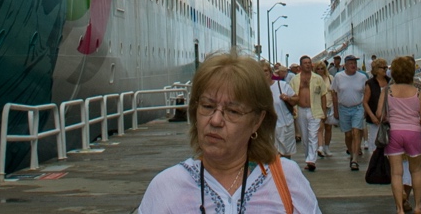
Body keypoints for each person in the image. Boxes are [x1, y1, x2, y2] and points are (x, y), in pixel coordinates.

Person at [137, 52, 320, 213]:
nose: (215, 120)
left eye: (233, 111)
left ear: (257, 121)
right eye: (207, 106)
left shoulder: (287, 181)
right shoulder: (166, 188)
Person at [378, 55, 421, 214]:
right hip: (413, 133)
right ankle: (418, 206)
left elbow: (379, 115)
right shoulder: (417, 92)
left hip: (394, 133)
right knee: (416, 171)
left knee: (396, 173)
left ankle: (399, 209)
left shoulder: (387, 90)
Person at [288, 55, 328, 171]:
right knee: (305, 137)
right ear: (300, 65)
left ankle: (312, 160)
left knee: (313, 135)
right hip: (300, 110)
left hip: (314, 110)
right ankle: (308, 158)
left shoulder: (317, 79)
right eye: (305, 63)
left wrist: (324, 112)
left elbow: (323, 95)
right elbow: (291, 95)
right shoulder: (295, 79)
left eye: (309, 62)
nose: (307, 64)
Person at [332, 54, 370, 171]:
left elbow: (367, 93)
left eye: (355, 63)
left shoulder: (362, 77)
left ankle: (354, 159)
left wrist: (365, 108)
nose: (353, 65)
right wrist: (336, 110)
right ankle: (351, 150)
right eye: (351, 63)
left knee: (356, 132)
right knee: (348, 135)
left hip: (358, 107)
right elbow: (334, 92)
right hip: (343, 108)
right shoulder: (338, 77)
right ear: (345, 65)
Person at [269, 62, 297, 158]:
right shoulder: (258, 89)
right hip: (270, 127)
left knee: (286, 154)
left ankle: (286, 171)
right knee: (275, 154)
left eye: (265, 71)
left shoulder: (282, 85)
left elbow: (296, 99)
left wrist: (287, 98)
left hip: (286, 124)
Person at [317, 59, 335, 157]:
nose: (320, 70)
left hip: (329, 104)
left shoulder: (330, 78)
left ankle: (326, 146)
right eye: (318, 69)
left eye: (322, 68)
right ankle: (320, 147)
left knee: (328, 127)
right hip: (318, 106)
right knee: (320, 127)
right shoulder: (314, 79)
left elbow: (334, 91)